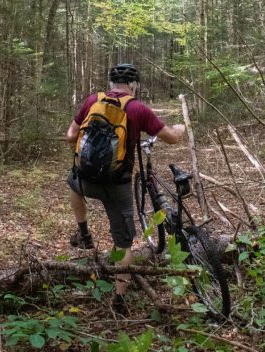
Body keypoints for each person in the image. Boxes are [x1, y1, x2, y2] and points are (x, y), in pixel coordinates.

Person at [65, 63, 185, 315]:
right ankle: (119, 299)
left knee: (71, 181)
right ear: (134, 85)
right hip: (117, 185)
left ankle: (84, 232)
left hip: (86, 180)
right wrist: (180, 129)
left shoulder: (92, 100)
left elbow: (70, 136)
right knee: (124, 243)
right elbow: (171, 138)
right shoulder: (137, 108)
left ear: (110, 83)